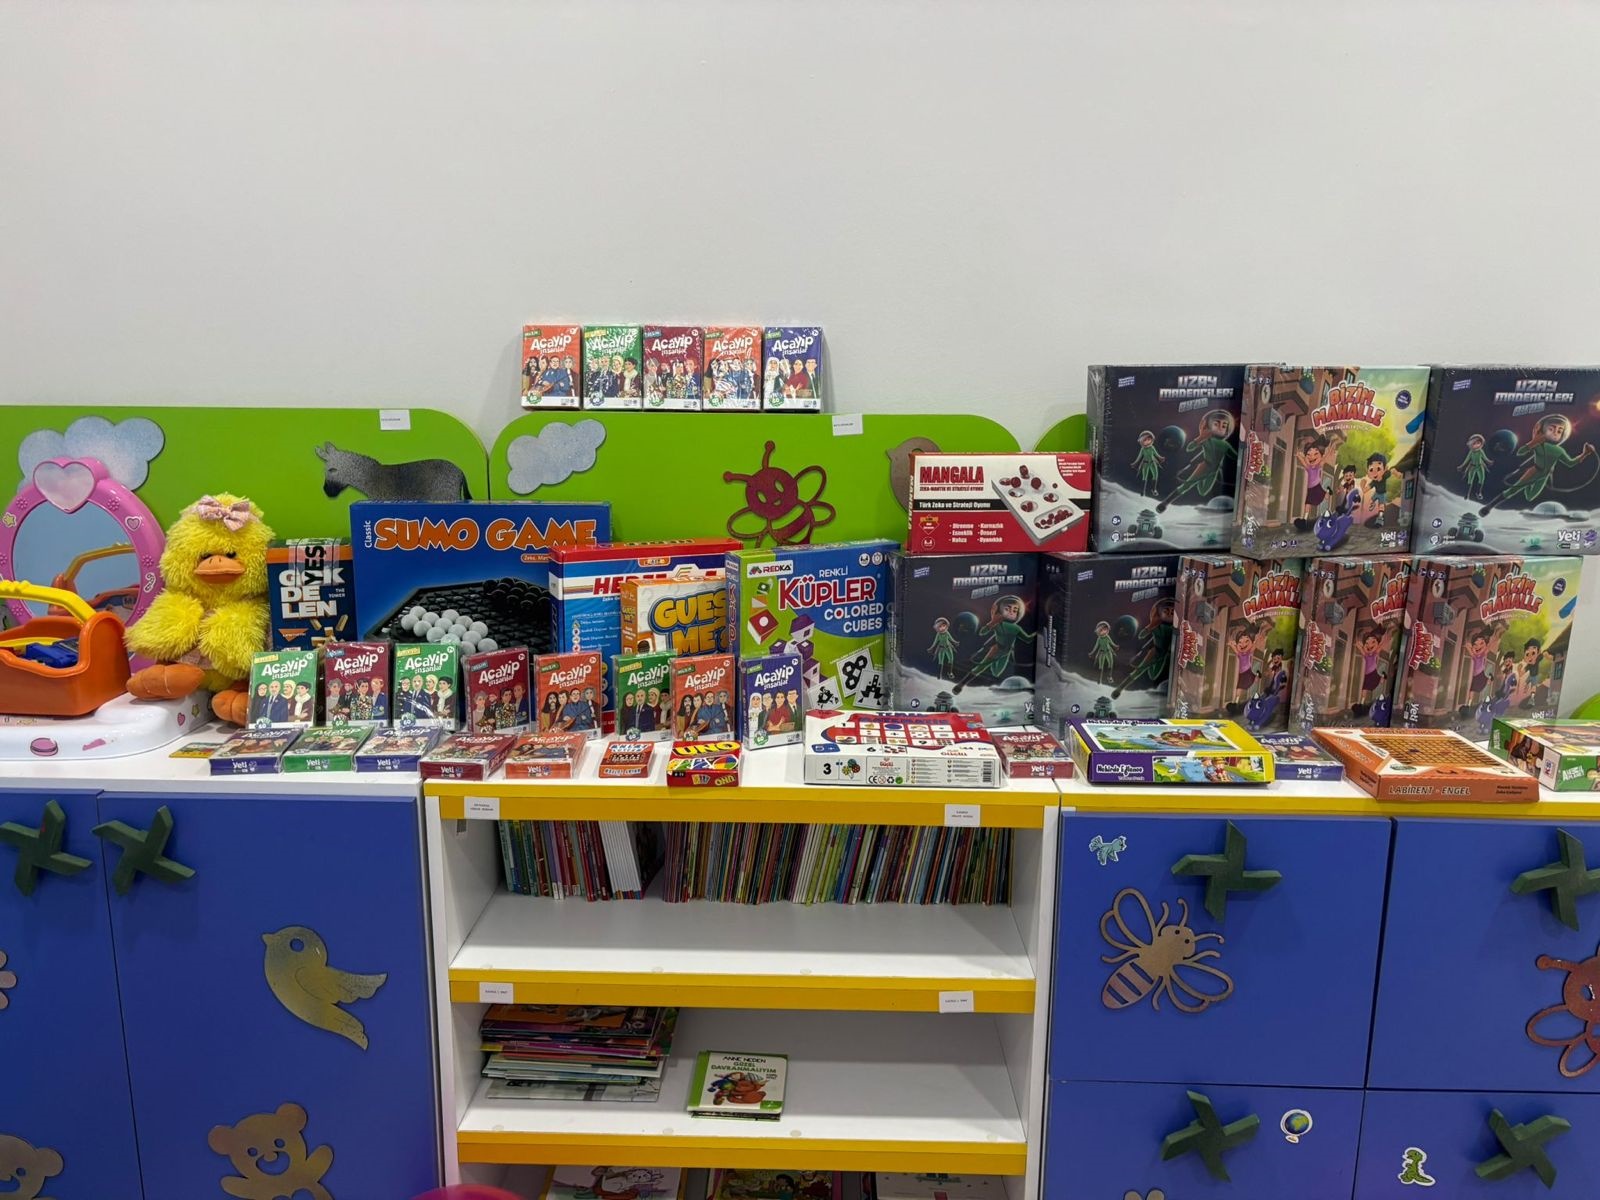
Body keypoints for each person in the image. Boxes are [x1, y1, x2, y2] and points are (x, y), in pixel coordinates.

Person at [1458, 433, 1493, 502]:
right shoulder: (1471, 452)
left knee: (1482, 479)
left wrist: (1489, 461)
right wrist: (1461, 466)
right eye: (1474, 443)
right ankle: (1467, 494)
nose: (1477, 445)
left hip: (1480, 466)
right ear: (1471, 444)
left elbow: (1484, 458)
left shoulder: (1480, 451)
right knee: (1470, 480)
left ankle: (1478, 492)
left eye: (1478, 443)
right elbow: (1467, 459)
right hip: (1472, 467)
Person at [1131, 430, 1164, 497]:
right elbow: (1139, 457)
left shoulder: (1152, 447)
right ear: (1142, 441)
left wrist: (1160, 458)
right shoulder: (1143, 449)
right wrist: (1135, 463)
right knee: (1144, 477)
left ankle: (1154, 489)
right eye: (1145, 440)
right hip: (1145, 464)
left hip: (1152, 463)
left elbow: (1156, 454)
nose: (1147, 441)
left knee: (1155, 475)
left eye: (1149, 439)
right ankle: (1142, 491)